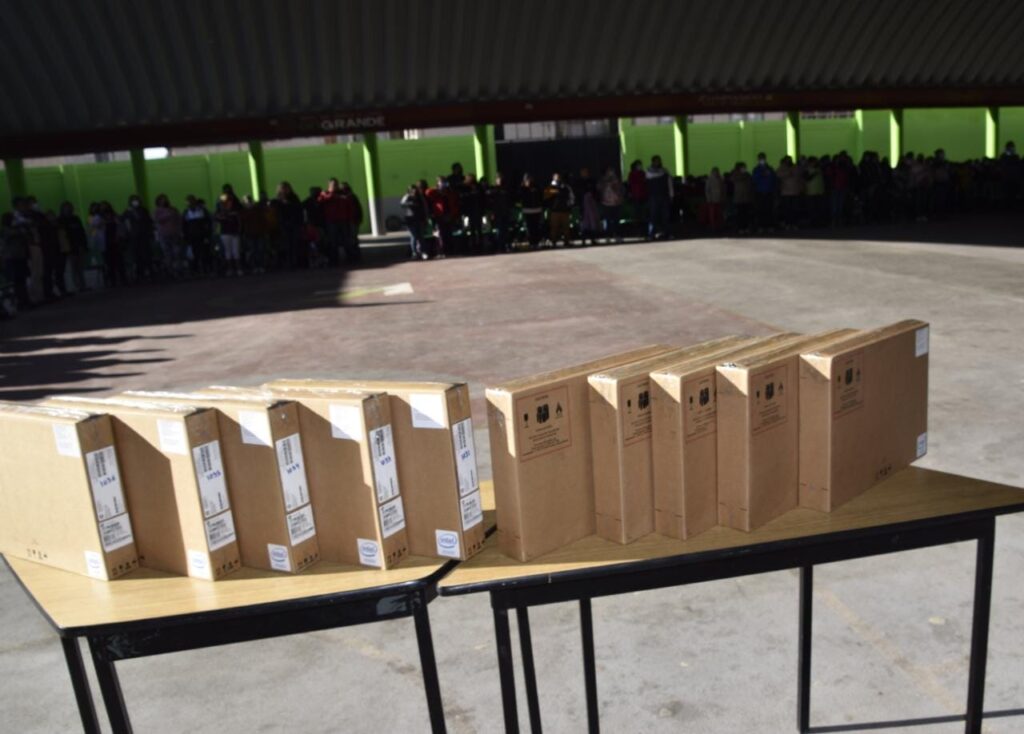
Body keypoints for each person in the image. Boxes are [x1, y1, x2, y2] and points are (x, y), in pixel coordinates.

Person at [1, 208, 31, 308]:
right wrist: (21, 226)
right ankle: (21, 302)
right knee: (17, 281)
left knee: (22, 280)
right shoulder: (5, 230)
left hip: (20, 256)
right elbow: (15, 234)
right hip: (12, 258)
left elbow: (25, 235)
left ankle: (25, 300)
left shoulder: (15, 229)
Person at [122, 195, 154, 282]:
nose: (135, 202)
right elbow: (122, 220)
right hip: (134, 236)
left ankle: (150, 272)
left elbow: (149, 221)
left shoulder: (143, 210)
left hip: (144, 235)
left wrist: (150, 232)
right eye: (133, 200)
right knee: (137, 255)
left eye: (136, 200)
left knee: (147, 254)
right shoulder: (128, 211)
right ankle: (140, 274)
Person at [57, 202, 88, 292]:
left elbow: (81, 232)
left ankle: (82, 285)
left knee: (80, 267)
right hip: (69, 247)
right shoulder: (61, 220)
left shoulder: (76, 218)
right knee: (73, 267)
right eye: (66, 208)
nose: (68, 210)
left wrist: (84, 245)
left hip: (78, 246)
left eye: (69, 207)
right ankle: (77, 285)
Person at [272, 182, 304, 268]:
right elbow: (277, 211)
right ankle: (289, 262)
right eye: (283, 188)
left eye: (286, 188)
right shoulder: (278, 200)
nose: (285, 190)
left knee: (295, 243)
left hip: (294, 223)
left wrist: (301, 223)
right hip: (284, 224)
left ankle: (295, 262)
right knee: (287, 244)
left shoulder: (294, 198)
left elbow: (299, 210)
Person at [153, 194, 184, 278]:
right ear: (158, 201)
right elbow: (157, 220)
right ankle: (170, 271)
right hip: (164, 235)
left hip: (175, 234)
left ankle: (178, 271)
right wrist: (168, 215)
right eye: (162, 200)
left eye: (165, 199)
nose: (164, 201)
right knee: (167, 254)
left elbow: (179, 219)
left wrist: (180, 230)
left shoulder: (173, 209)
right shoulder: (157, 211)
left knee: (177, 252)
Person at [425, 177, 455, 259]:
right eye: (442, 182)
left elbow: (452, 201)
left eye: (444, 182)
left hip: (448, 214)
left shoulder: (449, 191)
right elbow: (427, 192)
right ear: (438, 183)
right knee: (440, 234)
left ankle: (449, 250)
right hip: (439, 215)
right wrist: (437, 188)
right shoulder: (435, 192)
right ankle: (441, 251)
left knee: (448, 233)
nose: (444, 184)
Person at [183, 195, 213, 275]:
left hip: (202, 235)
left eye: (192, 201)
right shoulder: (186, 212)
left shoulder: (202, 211)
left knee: (205, 252)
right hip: (192, 236)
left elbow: (209, 223)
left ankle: (206, 269)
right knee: (194, 254)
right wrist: (186, 236)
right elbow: (184, 226)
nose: (190, 203)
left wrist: (208, 234)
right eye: (189, 201)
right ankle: (196, 270)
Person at [645, 155, 673, 240]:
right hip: (653, 196)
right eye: (656, 161)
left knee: (665, 216)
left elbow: (669, 183)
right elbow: (648, 178)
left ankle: (666, 233)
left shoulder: (665, 171)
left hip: (664, 196)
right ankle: (651, 234)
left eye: (659, 161)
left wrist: (671, 194)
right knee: (653, 216)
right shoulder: (649, 171)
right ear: (653, 162)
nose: (658, 162)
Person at [544, 172, 575, 246]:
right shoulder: (550, 187)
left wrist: (569, 205)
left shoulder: (566, 187)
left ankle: (567, 241)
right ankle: (553, 241)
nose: (557, 179)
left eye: (558, 177)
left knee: (566, 227)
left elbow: (571, 197)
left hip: (565, 210)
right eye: (555, 177)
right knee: (554, 227)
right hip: (554, 210)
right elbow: (546, 196)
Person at [215, 193, 242, 275]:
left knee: (236, 251)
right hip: (225, 233)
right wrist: (224, 213)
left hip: (234, 233)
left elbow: (239, 222)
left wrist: (238, 230)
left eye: (228, 201)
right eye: (223, 202)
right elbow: (218, 219)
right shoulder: (219, 212)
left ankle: (238, 269)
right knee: (228, 251)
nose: (227, 203)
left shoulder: (234, 211)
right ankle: (230, 269)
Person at [487, 174, 514, 252]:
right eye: (498, 179)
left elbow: (509, 201)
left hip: (506, 212)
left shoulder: (506, 189)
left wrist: (510, 211)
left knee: (506, 230)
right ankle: (500, 246)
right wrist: (492, 213)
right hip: (498, 213)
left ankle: (506, 245)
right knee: (499, 230)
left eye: (500, 179)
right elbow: (492, 203)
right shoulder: (494, 190)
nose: (499, 180)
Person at [400, 183, 428, 259]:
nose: (414, 191)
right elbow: (402, 204)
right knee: (414, 236)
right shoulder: (407, 197)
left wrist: (426, 217)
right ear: (409, 190)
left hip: (420, 219)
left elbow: (425, 207)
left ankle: (423, 252)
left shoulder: (420, 197)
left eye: (415, 189)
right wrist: (410, 202)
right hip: (411, 220)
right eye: (412, 189)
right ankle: (414, 253)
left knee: (421, 237)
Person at [597, 167, 624, 242]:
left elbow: (620, 189)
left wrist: (620, 197)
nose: (611, 173)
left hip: (616, 203)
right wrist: (605, 183)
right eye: (609, 171)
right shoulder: (603, 180)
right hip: (606, 203)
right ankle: (608, 236)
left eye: (612, 171)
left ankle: (617, 235)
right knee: (607, 220)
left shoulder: (616, 180)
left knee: (616, 221)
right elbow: (599, 188)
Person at [518, 174, 544, 249]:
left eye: (529, 179)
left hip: (537, 210)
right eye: (527, 179)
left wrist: (540, 205)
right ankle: (531, 243)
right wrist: (524, 187)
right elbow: (519, 197)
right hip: (527, 211)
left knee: (536, 228)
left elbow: (541, 196)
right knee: (529, 228)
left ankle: (536, 243)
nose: (528, 181)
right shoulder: (522, 188)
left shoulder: (536, 187)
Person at [751, 152, 776, 232]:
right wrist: (762, 174)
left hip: (769, 192)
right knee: (760, 210)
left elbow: (774, 179)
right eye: (760, 159)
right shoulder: (756, 169)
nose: (762, 160)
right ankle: (761, 226)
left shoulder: (770, 168)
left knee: (769, 210)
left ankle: (769, 226)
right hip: (760, 192)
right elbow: (754, 180)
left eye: (763, 158)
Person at [460, 173, 485, 254]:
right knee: (472, 230)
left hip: (478, 211)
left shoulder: (479, 187)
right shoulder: (465, 188)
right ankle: (473, 246)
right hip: (470, 212)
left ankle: (480, 245)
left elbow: (482, 199)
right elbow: (464, 201)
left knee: (479, 229)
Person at [342, 182, 363, 263]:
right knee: (351, 238)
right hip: (349, 220)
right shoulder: (350, 197)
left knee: (352, 238)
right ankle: (353, 255)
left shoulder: (351, 197)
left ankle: (353, 255)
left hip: (351, 220)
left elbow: (357, 209)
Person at [730, 163, 753, 234]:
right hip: (739, 198)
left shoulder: (748, 174)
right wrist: (742, 174)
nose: (744, 168)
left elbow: (751, 184)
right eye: (743, 167)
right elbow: (733, 179)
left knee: (746, 214)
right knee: (740, 214)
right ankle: (740, 228)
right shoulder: (735, 174)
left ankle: (746, 227)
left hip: (746, 197)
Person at [627, 160, 647, 232]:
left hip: (643, 194)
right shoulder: (632, 174)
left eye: (640, 165)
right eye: (639, 165)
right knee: (636, 211)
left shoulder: (643, 173)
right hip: (635, 194)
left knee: (642, 211)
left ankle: (642, 225)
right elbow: (630, 184)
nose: (640, 166)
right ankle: (636, 226)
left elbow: (645, 183)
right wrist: (630, 193)